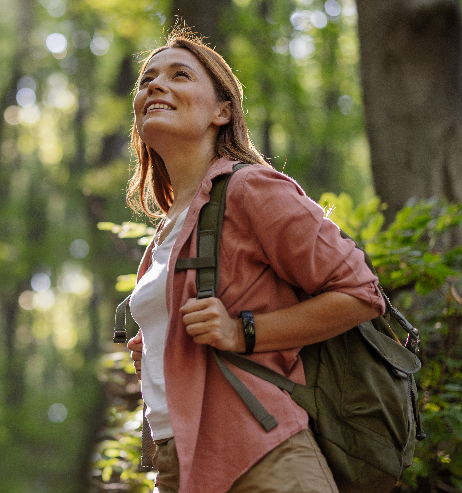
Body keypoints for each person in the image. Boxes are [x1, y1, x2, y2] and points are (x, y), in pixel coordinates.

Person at [124, 28, 386, 493]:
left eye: (179, 75)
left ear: (222, 112)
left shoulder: (250, 189)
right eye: (147, 80)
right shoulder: (170, 229)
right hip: (180, 464)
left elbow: (360, 293)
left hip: (260, 458)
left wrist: (241, 331)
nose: (155, 86)